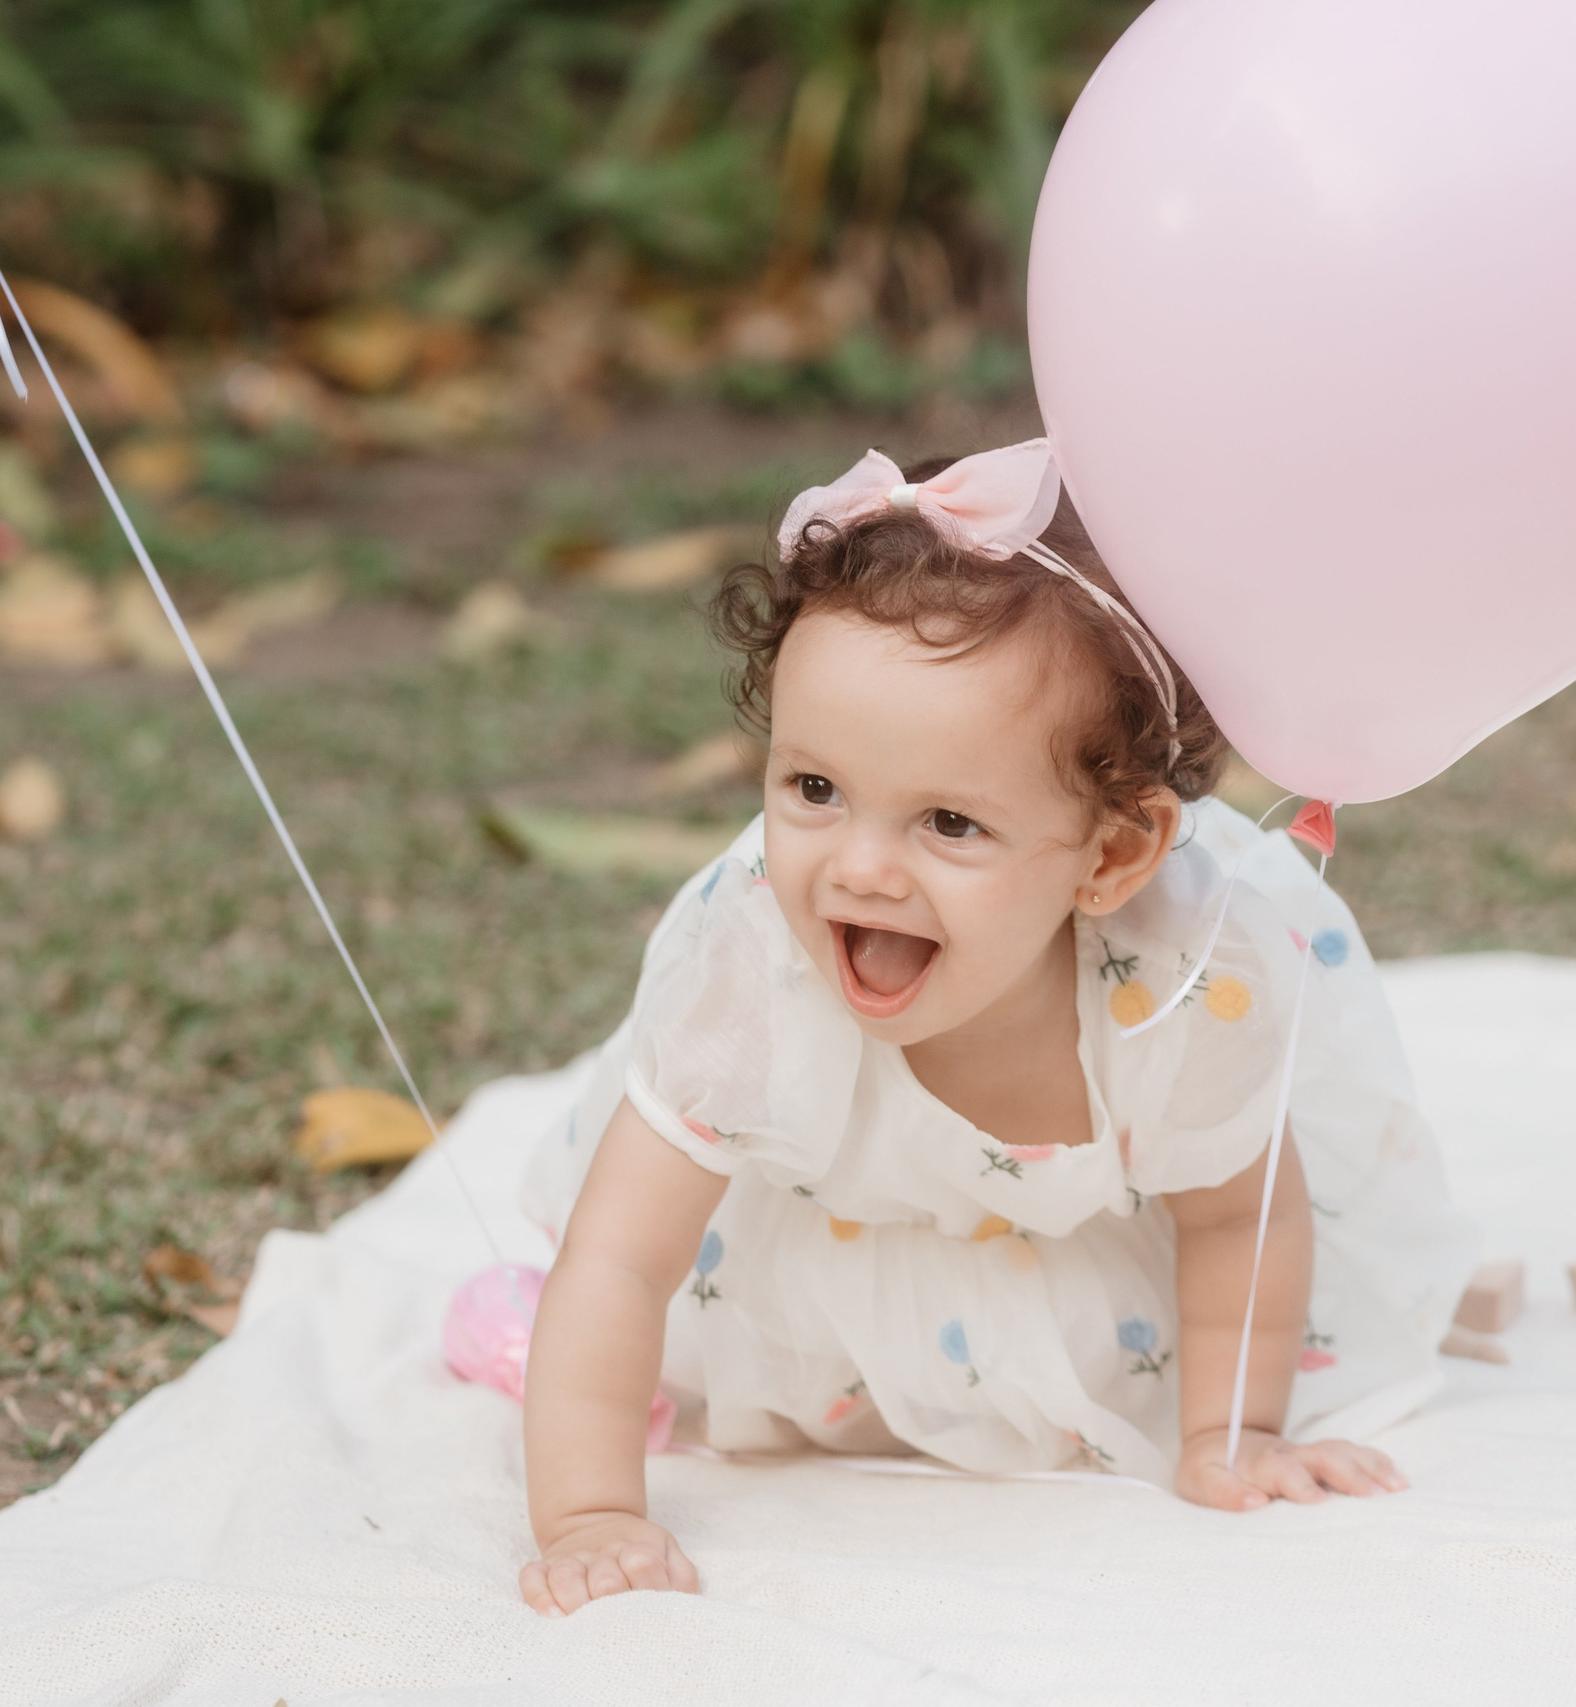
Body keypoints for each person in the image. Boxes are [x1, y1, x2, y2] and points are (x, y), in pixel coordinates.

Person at [514, 442, 1477, 1617]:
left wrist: (1233, 1432)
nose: (858, 869)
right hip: (819, 1245)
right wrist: (591, 1512)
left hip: (1081, 1261)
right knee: (602, 1310)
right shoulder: (756, 970)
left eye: (949, 823)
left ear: (1112, 856)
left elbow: (1236, 1217)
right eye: (811, 789)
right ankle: (549, 1349)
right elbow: (622, 1254)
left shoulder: (1183, 987)